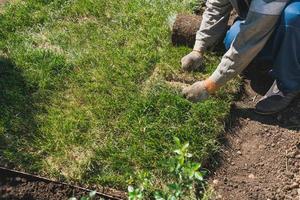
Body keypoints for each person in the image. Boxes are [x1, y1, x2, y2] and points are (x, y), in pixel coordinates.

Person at [181, 0, 300, 115]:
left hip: (291, 16)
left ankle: (288, 85)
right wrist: (198, 49)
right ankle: (276, 57)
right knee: (232, 39)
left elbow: (250, 39)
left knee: (293, 17)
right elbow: (216, 7)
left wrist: (208, 86)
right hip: (264, 14)